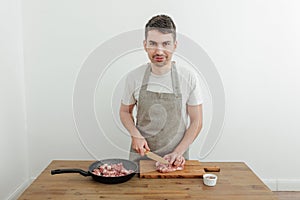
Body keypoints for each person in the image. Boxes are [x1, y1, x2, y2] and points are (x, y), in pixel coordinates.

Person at [119, 14, 203, 168]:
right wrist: (135, 135)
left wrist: (178, 152)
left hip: (176, 161)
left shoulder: (188, 77)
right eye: (153, 43)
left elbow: (197, 121)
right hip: (141, 159)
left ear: (175, 45)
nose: (159, 51)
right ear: (145, 45)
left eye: (166, 44)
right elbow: (125, 112)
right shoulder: (134, 77)